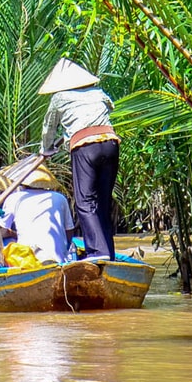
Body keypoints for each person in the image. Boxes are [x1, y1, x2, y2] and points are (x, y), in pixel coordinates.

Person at [39, 57, 120, 261]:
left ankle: (97, 253)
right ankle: (108, 253)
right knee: (102, 202)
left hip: (85, 147)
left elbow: (49, 128)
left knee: (85, 203)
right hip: (110, 143)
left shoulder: (59, 98)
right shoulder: (98, 92)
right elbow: (109, 107)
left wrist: (46, 149)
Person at [0, 162, 75, 265]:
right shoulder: (60, 198)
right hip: (59, 260)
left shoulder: (14, 198)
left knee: (7, 241)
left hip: (30, 261)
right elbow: (69, 231)